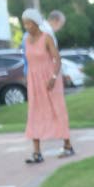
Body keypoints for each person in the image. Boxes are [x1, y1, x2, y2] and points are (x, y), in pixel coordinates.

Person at [20, 9, 74, 163]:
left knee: (58, 110)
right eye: (25, 24)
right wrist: (26, 77)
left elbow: (58, 60)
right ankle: (37, 153)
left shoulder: (47, 38)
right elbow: (27, 61)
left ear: (36, 23)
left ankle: (68, 146)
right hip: (34, 81)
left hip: (50, 80)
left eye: (29, 23)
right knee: (34, 114)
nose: (27, 26)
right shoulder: (26, 41)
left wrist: (54, 77)